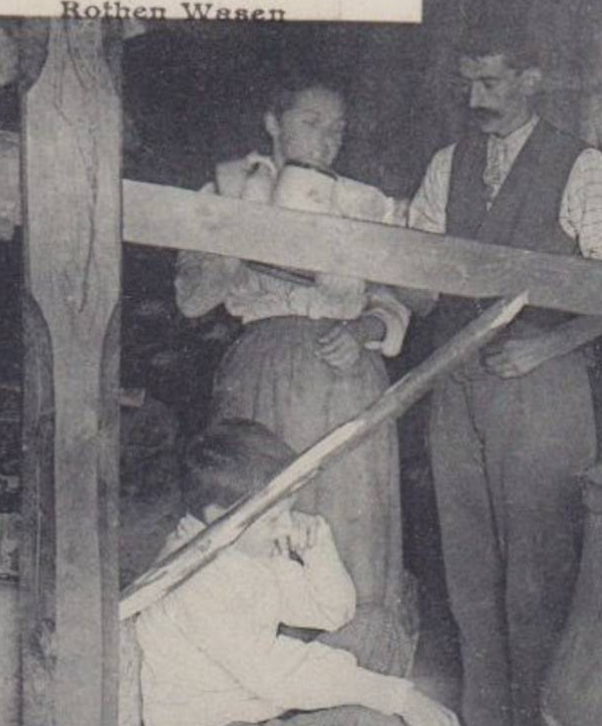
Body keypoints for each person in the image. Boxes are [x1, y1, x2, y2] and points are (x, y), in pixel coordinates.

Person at [407, 23, 602, 726]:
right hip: (456, 381)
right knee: (468, 564)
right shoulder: (447, 164)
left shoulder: (580, 166)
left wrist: (549, 341)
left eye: (494, 83)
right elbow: (419, 272)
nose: (478, 101)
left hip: (543, 383)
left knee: (539, 573)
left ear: (533, 78)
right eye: (468, 84)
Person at [134, 420, 465, 726]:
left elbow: (333, 613)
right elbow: (280, 674)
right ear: (215, 515)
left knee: (377, 631)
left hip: (250, 715)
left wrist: (320, 549)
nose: (285, 527)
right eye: (273, 518)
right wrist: (401, 697)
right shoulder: (195, 578)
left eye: (288, 510)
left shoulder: (243, 548)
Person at [175, 77, 428, 677]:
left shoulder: (366, 202)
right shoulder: (229, 186)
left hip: (351, 380)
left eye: (337, 128)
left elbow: (402, 299)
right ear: (273, 122)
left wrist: (365, 329)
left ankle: (354, 683)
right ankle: (261, 689)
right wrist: (237, 230)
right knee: (260, 520)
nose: (328, 138)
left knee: (351, 529)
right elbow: (192, 298)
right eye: (312, 122)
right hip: (264, 372)